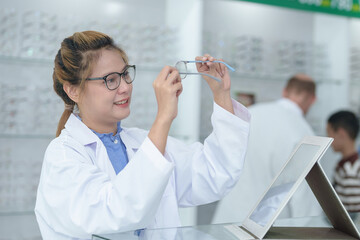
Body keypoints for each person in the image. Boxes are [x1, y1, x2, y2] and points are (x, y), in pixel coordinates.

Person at [34, 31, 250, 240]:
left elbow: (216, 173)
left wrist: (221, 93)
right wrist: (163, 118)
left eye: (125, 74)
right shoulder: (63, 157)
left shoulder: (141, 143)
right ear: (73, 90)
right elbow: (118, 212)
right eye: (110, 80)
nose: (125, 87)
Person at [209, 74, 322, 224]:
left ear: (284, 91)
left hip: (227, 218)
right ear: (313, 99)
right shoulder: (302, 131)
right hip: (266, 227)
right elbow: (304, 196)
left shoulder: (250, 114)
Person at [327, 110, 360, 218]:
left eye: (329, 134)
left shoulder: (351, 170)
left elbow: (354, 216)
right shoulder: (343, 165)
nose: (329, 139)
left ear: (341, 134)